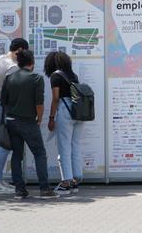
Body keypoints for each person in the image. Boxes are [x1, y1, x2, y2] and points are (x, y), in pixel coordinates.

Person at [1, 49, 58, 199]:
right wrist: (39, 118)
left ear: (19, 63)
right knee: (39, 153)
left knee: (17, 155)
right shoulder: (36, 78)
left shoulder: (10, 78)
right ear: (32, 63)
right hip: (28, 122)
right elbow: (39, 103)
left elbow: (3, 102)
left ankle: (19, 190)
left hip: (12, 122)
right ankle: (45, 189)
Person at [0, 37, 27, 195]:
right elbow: (13, 92)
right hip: (4, 107)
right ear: (20, 50)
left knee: (0, 142)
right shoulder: (13, 67)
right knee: (5, 145)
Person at [44, 51, 84, 195]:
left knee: (64, 147)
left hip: (65, 110)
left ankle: (66, 181)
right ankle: (75, 179)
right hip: (79, 113)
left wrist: (51, 117)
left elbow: (55, 98)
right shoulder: (74, 76)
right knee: (75, 146)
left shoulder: (56, 76)